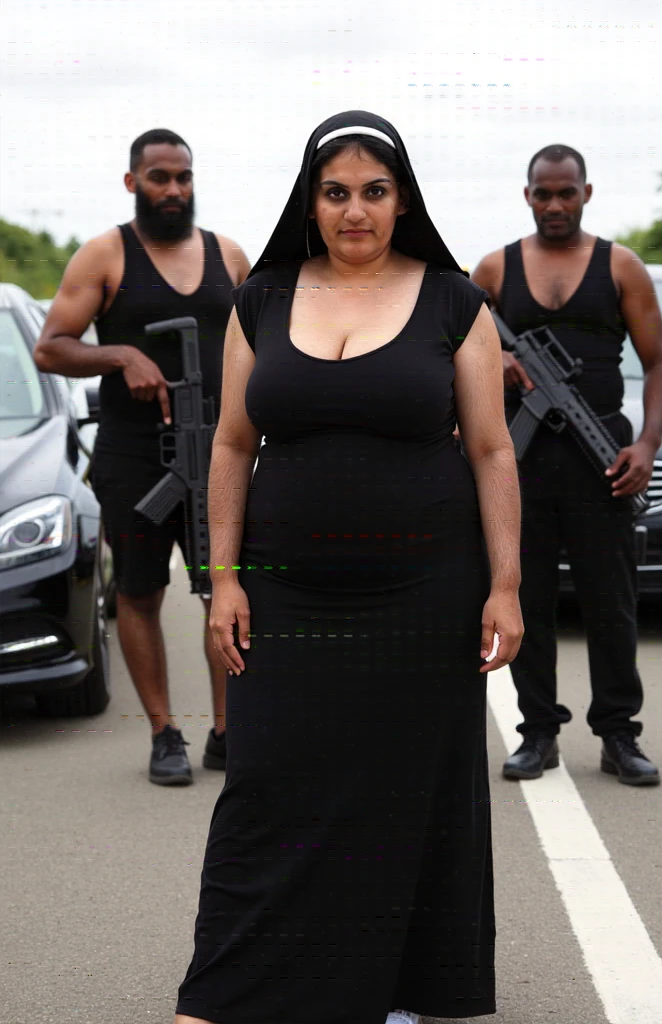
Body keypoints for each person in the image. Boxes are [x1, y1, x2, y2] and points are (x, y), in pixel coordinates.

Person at [173, 110, 523, 1024]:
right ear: (311, 200)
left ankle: (395, 991)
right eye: (336, 192)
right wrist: (226, 576)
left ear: (401, 201)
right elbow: (231, 443)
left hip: (423, 591)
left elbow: (490, 450)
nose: (355, 210)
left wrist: (507, 584)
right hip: (284, 590)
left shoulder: (454, 302)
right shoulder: (264, 298)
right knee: (267, 783)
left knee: (405, 790)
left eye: (374, 191)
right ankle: (231, 988)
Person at [34, 128, 250, 785]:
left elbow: (261, 345)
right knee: (139, 589)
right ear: (133, 183)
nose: (174, 190)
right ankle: (163, 734)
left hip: (218, 450)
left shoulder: (229, 256)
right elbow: (51, 347)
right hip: (134, 453)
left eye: (183, 177)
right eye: (160, 177)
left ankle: (227, 732)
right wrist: (119, 354)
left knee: (227, 587)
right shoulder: (104, 255)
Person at [471, 143, 662, 787]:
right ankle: (538, 735)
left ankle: (619, 736)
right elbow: (452, 349)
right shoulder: (495, 270)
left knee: (612, 605)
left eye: (566, 192)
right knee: (526, 597)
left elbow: (660, 364)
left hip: (603, 460)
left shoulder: (623, 267)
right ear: (526, 195)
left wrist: (646, 446)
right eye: (542, 193)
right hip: (519, 464)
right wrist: (492, 362)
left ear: (587, 193)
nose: (554, 204)